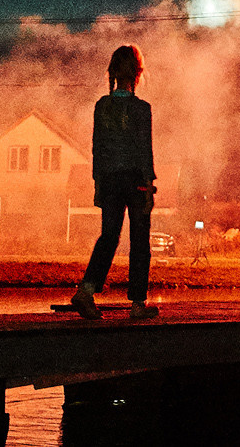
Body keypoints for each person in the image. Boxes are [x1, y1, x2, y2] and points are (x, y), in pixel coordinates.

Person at [69, 44, 159, 320]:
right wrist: (148, 184)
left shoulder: (102, 106)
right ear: (137, 74)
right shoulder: (141, 109)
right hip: (135, 181)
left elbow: (97, 148)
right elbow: (144, 150)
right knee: (139, 240)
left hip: (108, 180)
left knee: (109, 236)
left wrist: (98, 185)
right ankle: (137, 304)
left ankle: (86, 290)